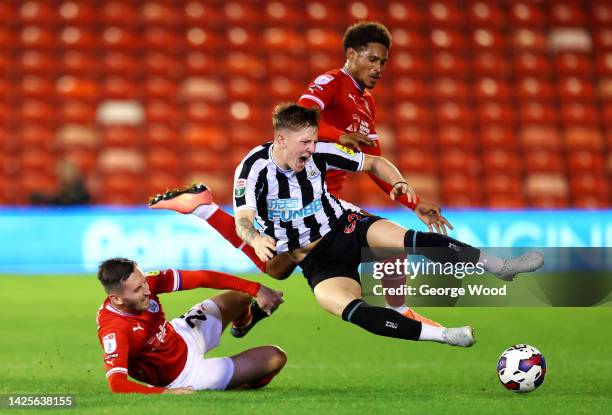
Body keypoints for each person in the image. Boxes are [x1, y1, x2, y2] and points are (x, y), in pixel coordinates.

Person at [150, 22, 449, 325]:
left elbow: (372, 160)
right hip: (306, 190)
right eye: (372, 59)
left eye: (383, 62)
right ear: (351, 55)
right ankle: (400, 311)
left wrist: (414, 202)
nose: (379, 68)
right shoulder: (331, 81)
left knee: (277, 267)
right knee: (373, 240)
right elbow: (304, 111)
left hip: (323, 195)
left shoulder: (366, 103)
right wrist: (338, 135)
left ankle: (205, 210)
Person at [228, 103, 543, 347]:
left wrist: (399, 181)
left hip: (344, 227)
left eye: (313, 141)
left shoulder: (320, 153)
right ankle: (444, 335)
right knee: (351, 309)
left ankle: (501, 266)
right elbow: (242, 218)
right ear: (281, 139)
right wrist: (254, 238)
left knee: (410, 240)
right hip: (314, 261)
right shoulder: (253, 169)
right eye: (305, 142)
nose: (311, 148)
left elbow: (375, 162)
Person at [96, 258, 286, 394]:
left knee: (242, 294)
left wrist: (256, 288)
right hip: (184, 376)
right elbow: (117, 385)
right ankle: (238, 385)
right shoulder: (114, 330)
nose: (147, 290)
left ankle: (243, 324)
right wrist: (165, 393)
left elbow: (203, 278)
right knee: (276, 357)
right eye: (138, 290)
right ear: (116, 299)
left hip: (182, 333)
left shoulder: (146, 285)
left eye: (144, 282)